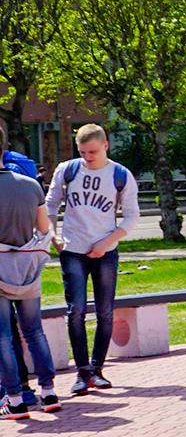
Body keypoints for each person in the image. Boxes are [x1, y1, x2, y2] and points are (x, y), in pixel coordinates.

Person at [45, 124, 137, 396]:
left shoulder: (120, 175)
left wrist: (107, 243)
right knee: (75, 311)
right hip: (72, 249)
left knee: (106, 311)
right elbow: (50, 205)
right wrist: (53, 235)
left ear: (106, 145)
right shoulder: (67, 169)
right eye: (83, 152)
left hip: (105, 251)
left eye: (93, 151)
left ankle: (98, 369)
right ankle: (82, 371)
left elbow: (132, 216)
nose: (88, 157)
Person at [0, 127, 57, 418]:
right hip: (26, 269)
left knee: (2, 337)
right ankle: (48, 392)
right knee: (34, 332)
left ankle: (14, 398)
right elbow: (44, 229)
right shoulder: (31, 185)